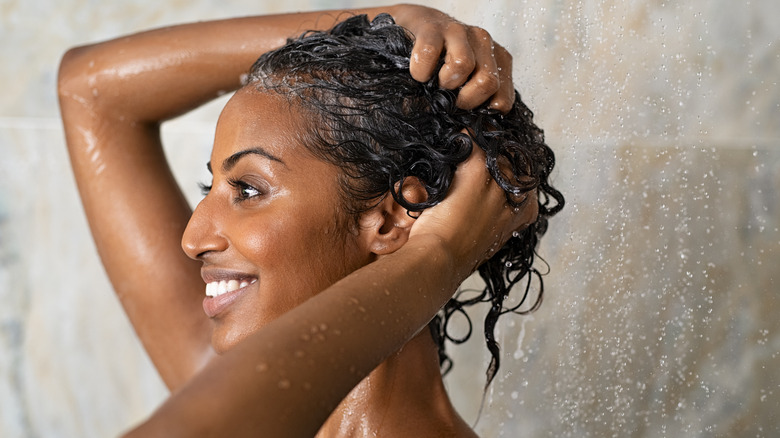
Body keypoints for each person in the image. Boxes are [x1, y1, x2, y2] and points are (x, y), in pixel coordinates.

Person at [57, 4, 563, 437]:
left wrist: (438, 255)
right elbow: (90, 90)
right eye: (209, 186)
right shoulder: (231, 389)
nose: (191, 239)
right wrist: (373, 24)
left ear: (389, 221)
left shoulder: (227, 408)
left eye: (248, 190)